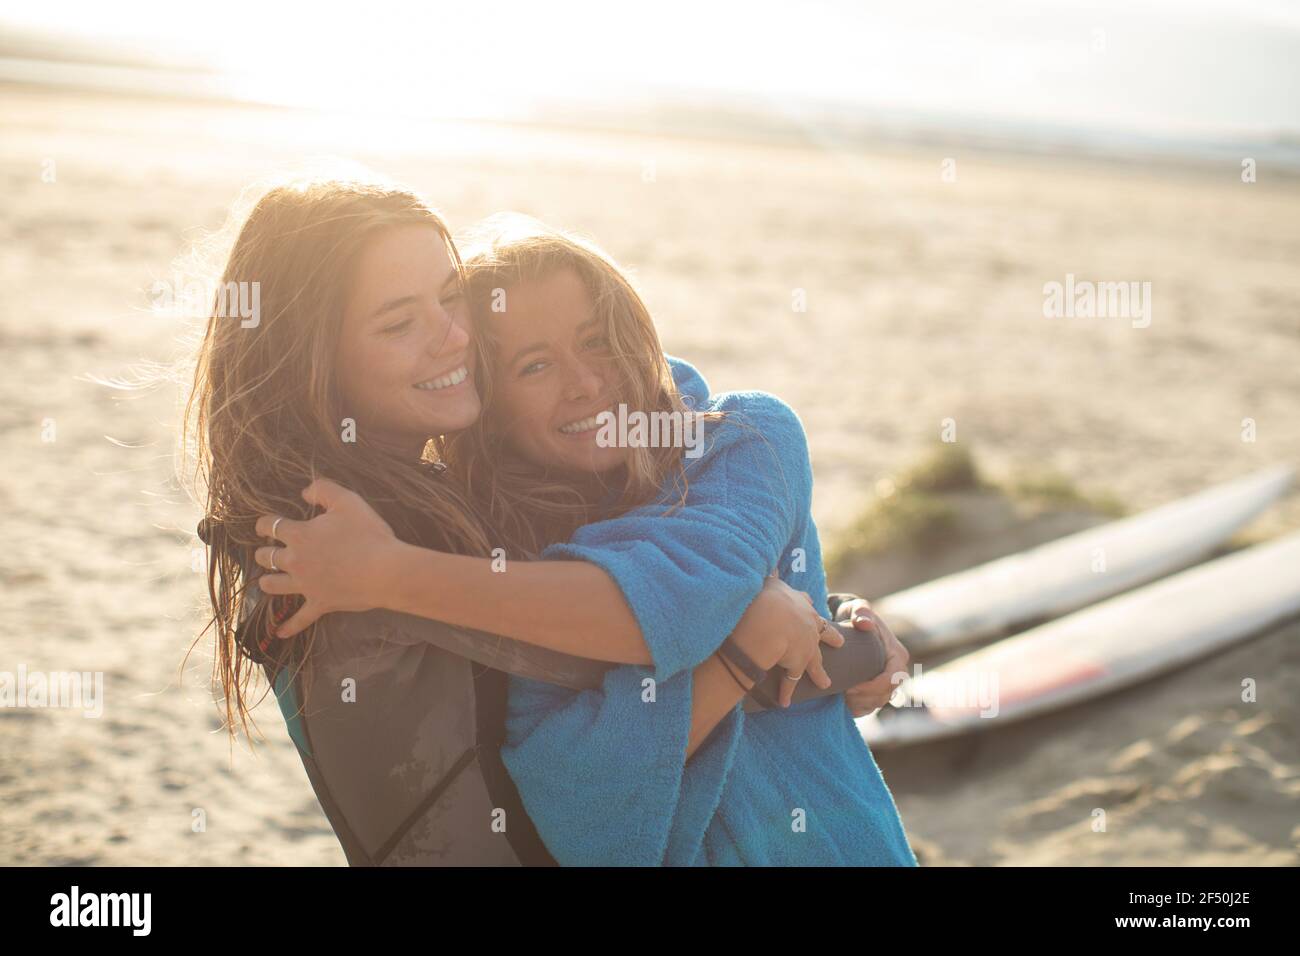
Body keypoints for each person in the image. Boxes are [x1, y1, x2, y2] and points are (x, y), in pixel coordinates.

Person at [187, 176, 904, 864]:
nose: (452, 338)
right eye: (401, 322)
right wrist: (768, 646)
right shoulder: (334, 541)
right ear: (312, 353)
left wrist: (827, 620)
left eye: (450, 300)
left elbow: (658, 606)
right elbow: (642, 641)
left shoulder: (454, 512)